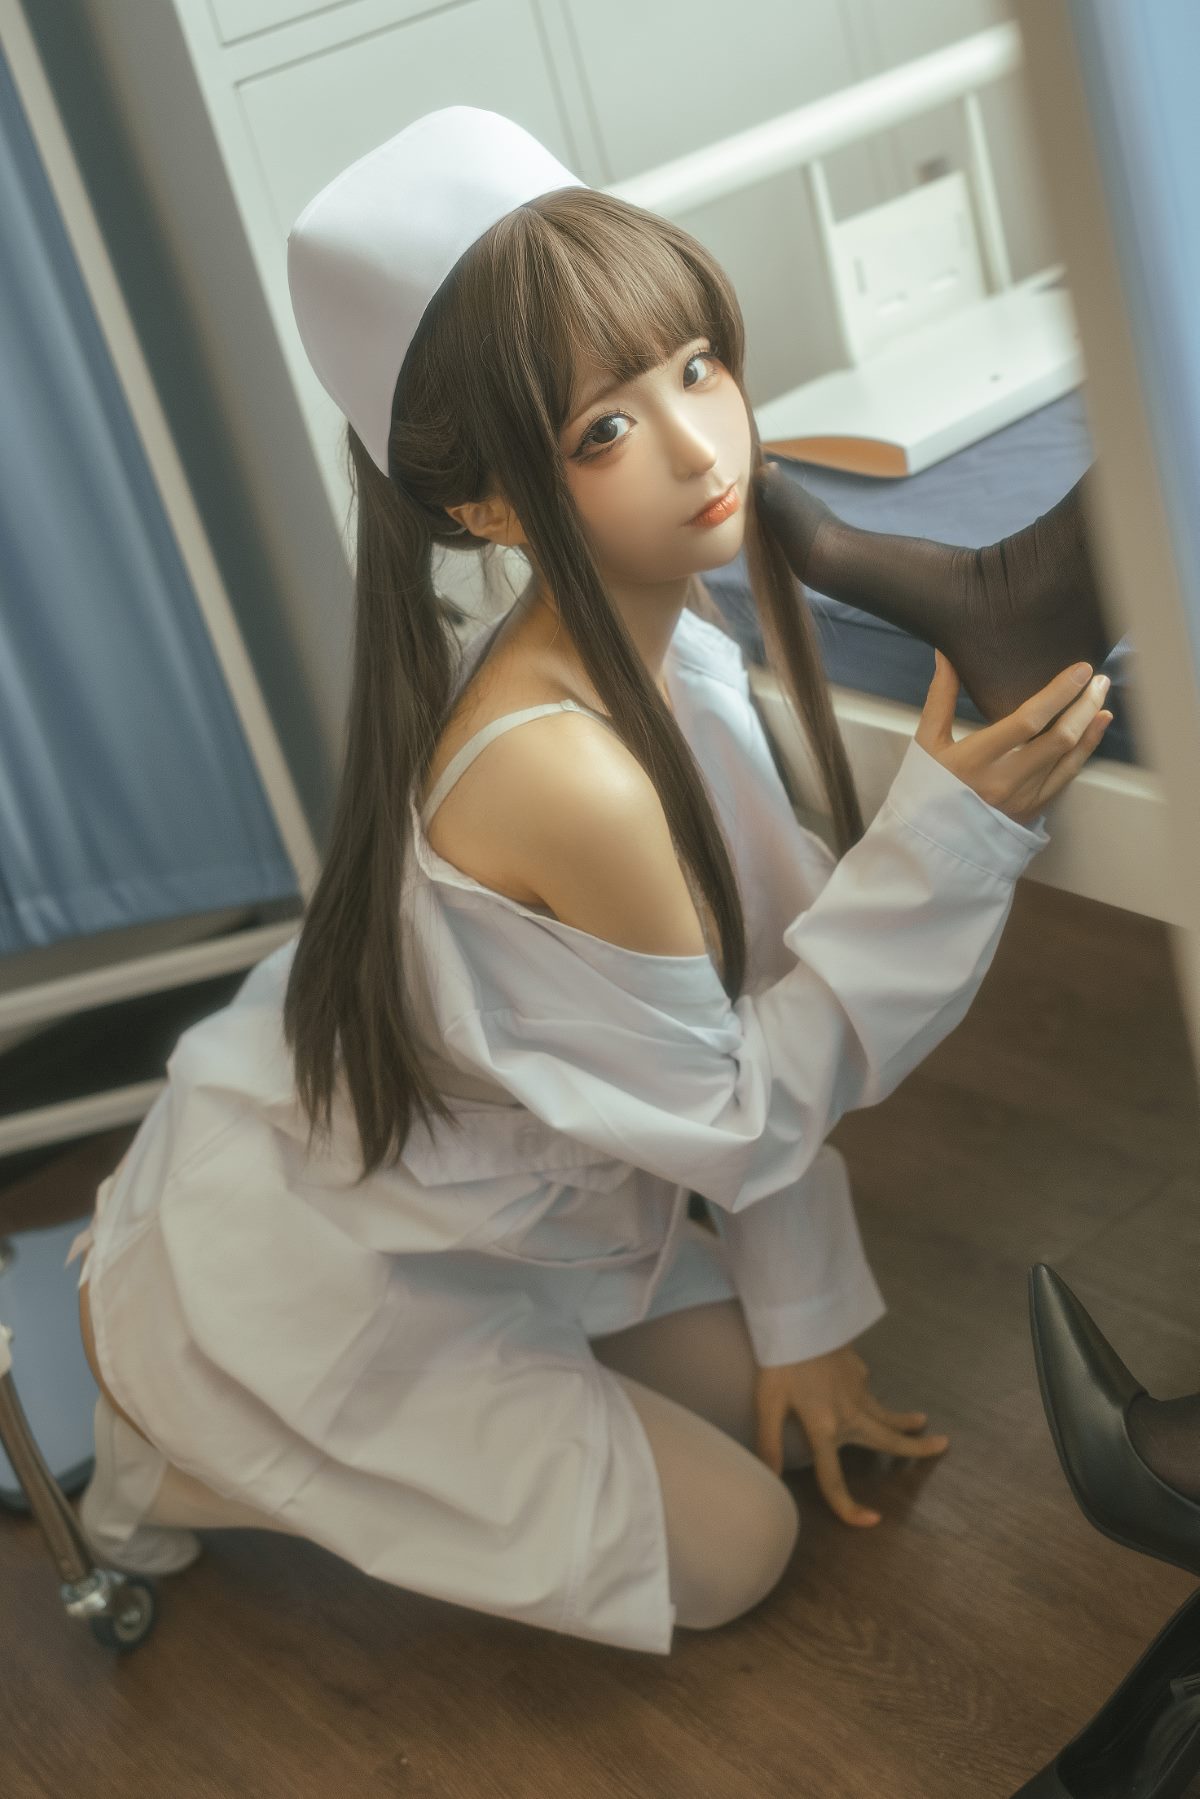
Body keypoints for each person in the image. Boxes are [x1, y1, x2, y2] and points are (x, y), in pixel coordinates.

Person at [70, 108, 1113, 1658]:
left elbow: (752, 992)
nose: (702, 446)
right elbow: (742, 1108)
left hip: (488, 1205)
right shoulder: (563, 775)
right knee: (742, 1550)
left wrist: (805, 1322)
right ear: (484, 506)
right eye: (604, 430)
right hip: (317, 1270)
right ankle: (181, 1433)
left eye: (695, 365)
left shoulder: (666, 654)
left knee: (770, 1395)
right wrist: (951, 836)